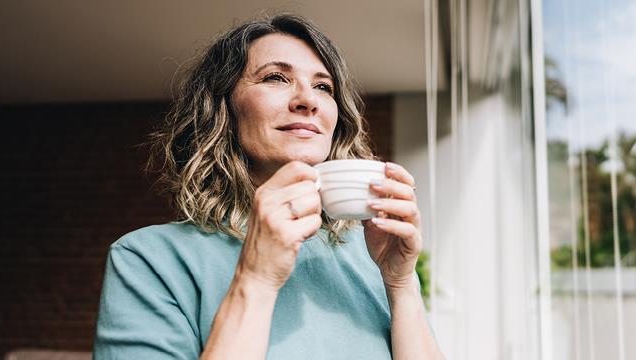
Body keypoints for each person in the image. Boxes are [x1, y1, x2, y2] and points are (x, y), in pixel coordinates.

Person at [93, 15, 444, 359]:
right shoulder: (148, 260)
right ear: (222, 108)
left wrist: (401, 286)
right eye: (276, 78)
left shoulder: (372, 254)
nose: (308, 100)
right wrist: (256, 279)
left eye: (323, 86)